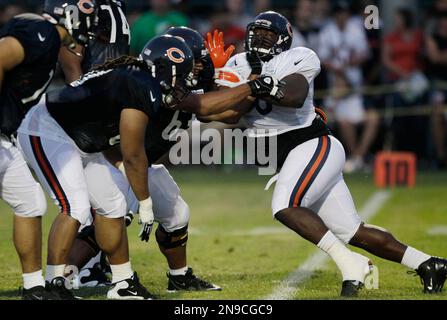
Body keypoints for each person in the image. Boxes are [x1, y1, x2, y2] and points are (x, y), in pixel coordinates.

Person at [16, 34, 284, 299]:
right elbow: (132, 154)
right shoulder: (139, 84)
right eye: (187, 70)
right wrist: (144, 202)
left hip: (92, 145)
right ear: (164, 69)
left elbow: (218, 107)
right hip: (51, 131)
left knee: (114, 207)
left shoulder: (151, 81)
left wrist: (244, 84)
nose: (191, 77)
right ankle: (54, 284)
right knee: (75, 206)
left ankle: (123, 283)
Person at [203, 11, 447, 296]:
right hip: (291, 156)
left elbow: (292, 96)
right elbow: (224, 114)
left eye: (268, 34)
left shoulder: (300, 56)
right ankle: (429, 263)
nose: (260, 38)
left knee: (285, 206)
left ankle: (351, 264)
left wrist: (255, 84)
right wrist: (216, 77)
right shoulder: (237, 63)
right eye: (256, 33)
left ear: (284, 39)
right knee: (353, 231)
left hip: (311, 145)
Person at [69, 27, 222, 291]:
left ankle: (179, 276)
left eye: (198, 63)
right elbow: (206, 107)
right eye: (193, 63)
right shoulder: (151, 87)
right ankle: (64, 275)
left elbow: (210, 108)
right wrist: (253, 86)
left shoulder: (177, 87)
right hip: (115, 158)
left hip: (138, 162)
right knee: (115, 214)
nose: (197, 70)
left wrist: (212, 79)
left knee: (177, 213)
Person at [0, 0, 95, 300]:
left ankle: (34, 288)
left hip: (5, 138)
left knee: (30, 202)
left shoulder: (48, 39)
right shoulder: (42, 32)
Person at [426, 10, 447, 169]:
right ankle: (440, 156)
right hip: (439, 85)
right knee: (437, 116)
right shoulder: (433, 38)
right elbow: (436, 58)